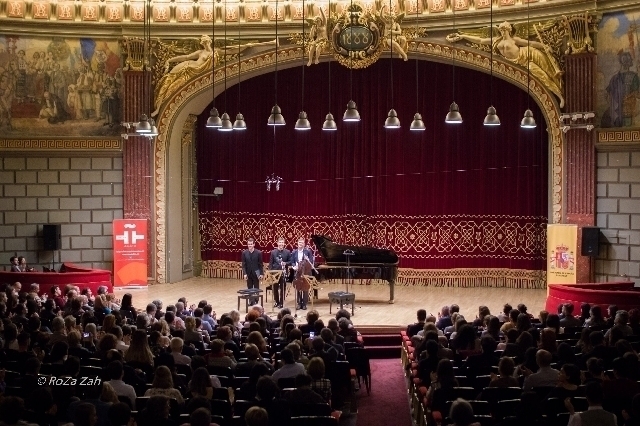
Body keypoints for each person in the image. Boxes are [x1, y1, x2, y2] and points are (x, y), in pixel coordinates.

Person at [447, 20, 564, 107]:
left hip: (527, 56)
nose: (502, 32)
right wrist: (463, 36)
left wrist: (545, 46)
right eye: (501, 30)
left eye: (504, 30)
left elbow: (531, 44)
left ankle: (560, 95)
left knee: (546, 72)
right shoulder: (497, 40)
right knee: (541, 76)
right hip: (515, 63)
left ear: (509, 30)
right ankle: (559, 95)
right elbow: (480, 40)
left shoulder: (514, 40)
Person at [603, 50, 640, 128]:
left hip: (615, 112)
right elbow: (637, 94)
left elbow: (606, 94)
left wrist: (613, 104)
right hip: (628, 111)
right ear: (627, 62)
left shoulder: (614, 78)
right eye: (630, 59)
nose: (631, 60)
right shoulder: (634, 76)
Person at [290, 237, 313, 310]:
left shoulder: (308, 252)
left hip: (306, 272)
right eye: (299, 242)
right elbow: (292, 261)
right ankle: (299, 303)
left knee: (305, 288)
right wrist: (294, 266)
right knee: (298, 287)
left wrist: (307, 260)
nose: (301, 244)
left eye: (302, 243)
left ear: (304, 244)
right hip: (298, 272)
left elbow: (311, 261)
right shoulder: (294, 252)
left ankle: (304, 304)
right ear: (297, 243)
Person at [268, 237, 291, 309]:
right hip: (275, 273)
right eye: (280, 242)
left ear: (284, 244)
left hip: (283, 272)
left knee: (282, 288)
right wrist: (270, 273)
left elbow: (290, 262)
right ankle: (276, 301)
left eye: (282, 243)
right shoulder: (273, 252)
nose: (281, 244)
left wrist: (285, 263)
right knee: (275, 288)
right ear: (277, 243)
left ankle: (281, 303)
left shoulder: (287, 252)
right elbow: (271, 263)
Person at [241, 237, 264, 305]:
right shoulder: (244, 253)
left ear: (254, 244)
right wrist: (244, 273)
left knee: (256, 287)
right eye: (248, 244)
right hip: (248, 273)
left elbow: (260, 264)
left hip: (256, 273)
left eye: (251, 244)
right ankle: (251, 301)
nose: (250, 245)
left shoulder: (258, 253)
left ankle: (256, 300)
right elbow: (243, 264)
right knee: (249, 288)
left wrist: (261, 274)